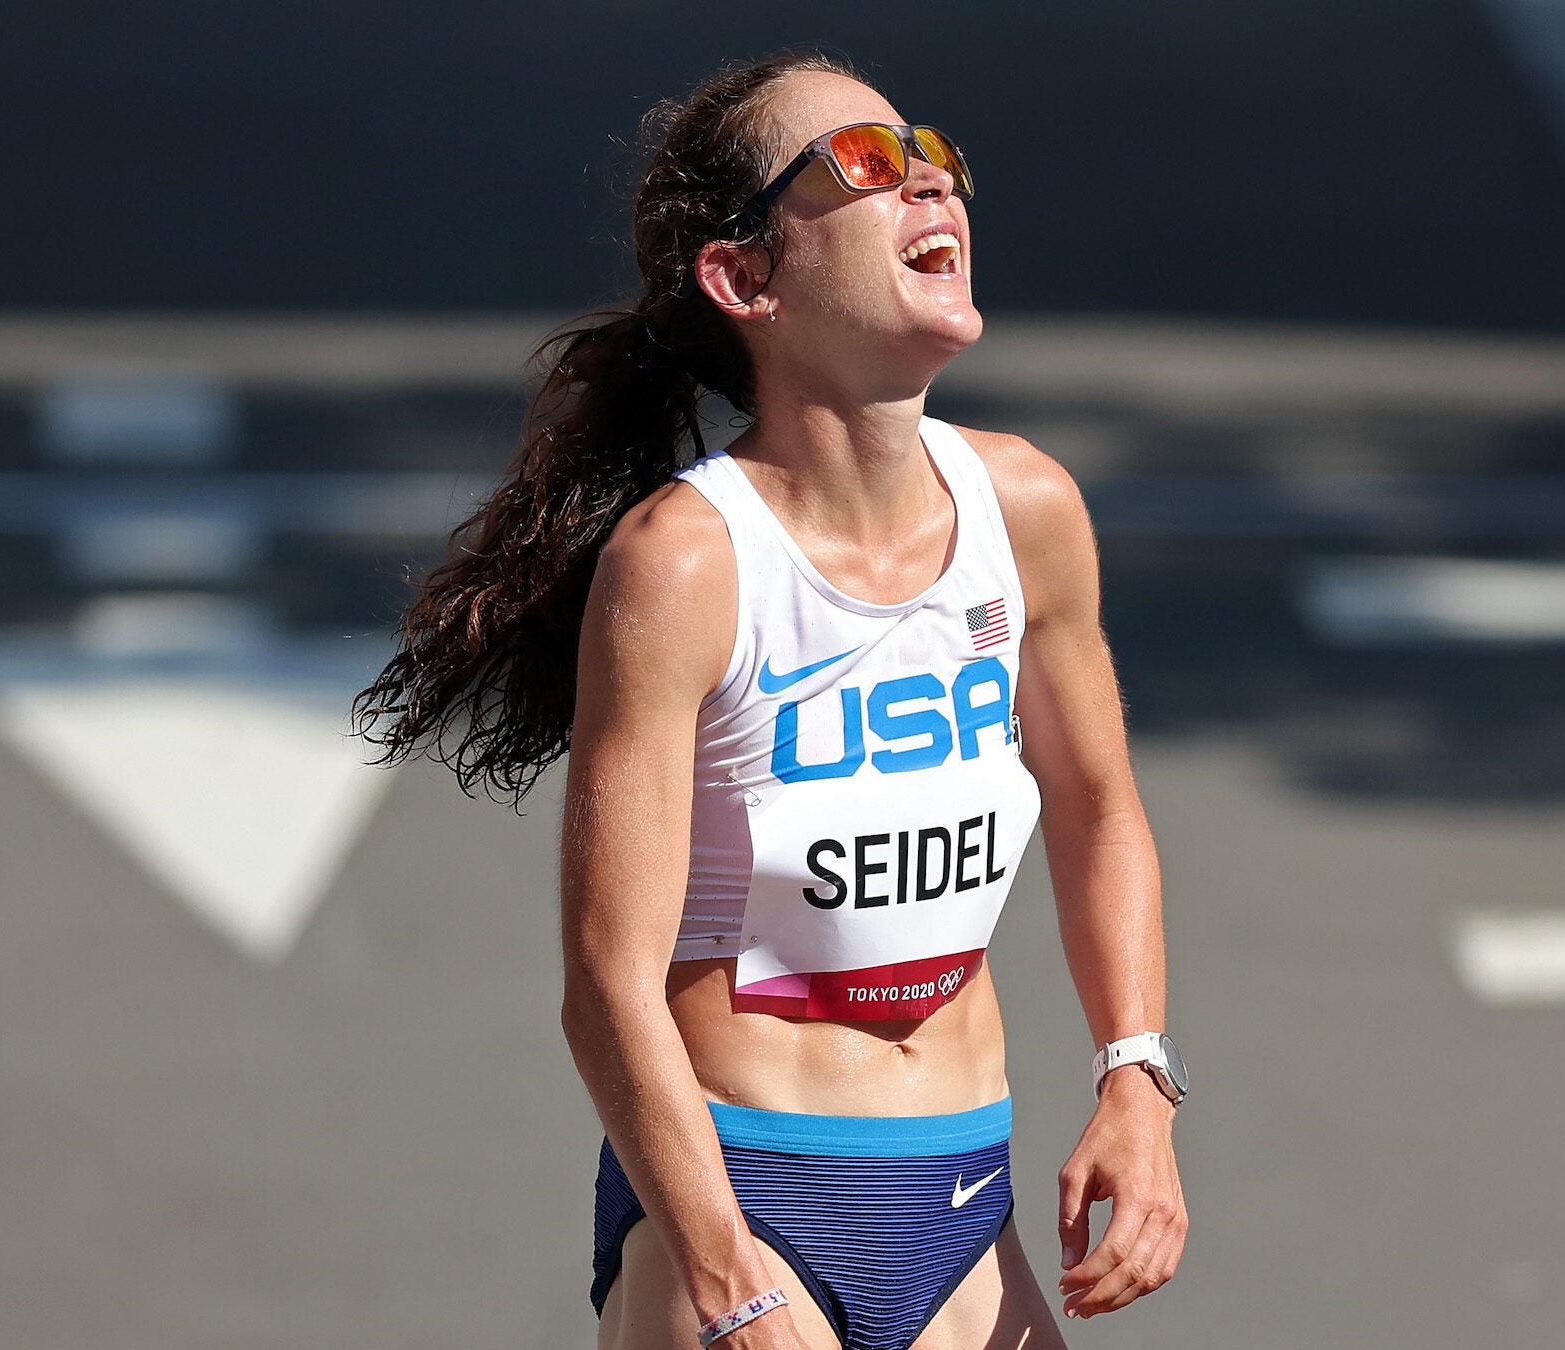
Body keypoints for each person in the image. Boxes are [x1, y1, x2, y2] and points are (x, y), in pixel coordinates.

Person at [355, 51, 1188, 1349]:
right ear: (747, 278)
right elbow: (604, 980)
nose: (927, 183)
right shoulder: (685, 565)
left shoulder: (1027, 511)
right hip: (743, 1193)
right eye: (863, 165)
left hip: (965, 1187)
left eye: (934, 155)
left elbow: (1096, 804)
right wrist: (721, 1272)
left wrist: (1135, 1069)